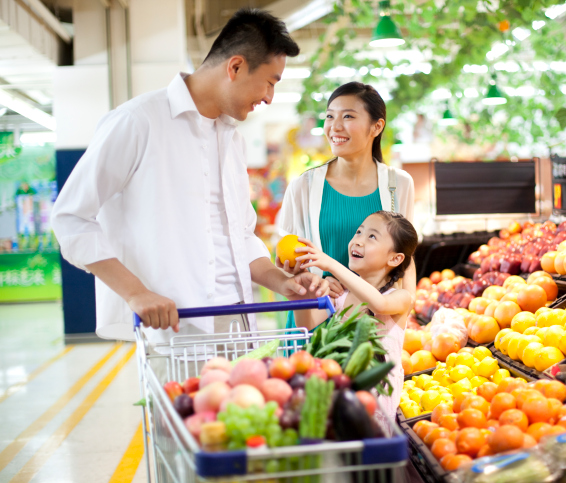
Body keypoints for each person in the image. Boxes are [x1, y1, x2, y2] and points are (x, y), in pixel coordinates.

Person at [50, 8, 328, 344]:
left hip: (239, 322)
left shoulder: (231, 139)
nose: (269, 97)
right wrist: (136, 293)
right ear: (236, 66)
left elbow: (240, 235)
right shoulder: (138, 122)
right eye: (270, 82)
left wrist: (281, 281)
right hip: (177, 331)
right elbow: (71, 218)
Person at [277, 82, 416, 330]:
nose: (334, 126)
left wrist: (404, 315)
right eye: (330, 116)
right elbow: (289, 256)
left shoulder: (399, 185)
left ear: (377, 126)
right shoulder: (303, 187)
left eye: (348, 116)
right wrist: (307, 278)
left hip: (372, 323)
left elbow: (406, 256)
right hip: (314, 319)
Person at [291, 211, 418, 423]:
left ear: (395, 258)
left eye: (372, 237)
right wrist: (299, 286)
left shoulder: (399, 298)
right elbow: (305, 323)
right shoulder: (341, 295)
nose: (358, 240)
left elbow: (378, 303)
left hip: (377, 407)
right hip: (341, 397)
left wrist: (331, 264)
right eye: (359, 232)